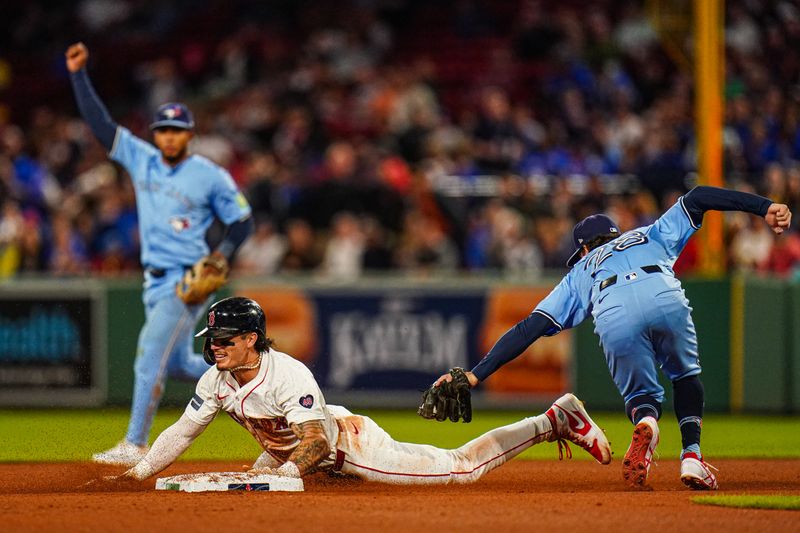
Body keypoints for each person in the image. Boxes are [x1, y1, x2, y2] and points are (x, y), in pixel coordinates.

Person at [431, 185, 792, 490]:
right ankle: (692, 457)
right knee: (685, 376)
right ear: (616, 236)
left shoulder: (580, 270)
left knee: (643, 397)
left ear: (584, 249)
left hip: (612, 307)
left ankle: (647, 422)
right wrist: (765, 207)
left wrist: (476, 373)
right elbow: (698, 196)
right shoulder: (648, 233)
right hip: (662, 292)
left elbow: (531, 327)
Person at [109, 296, 611, 486]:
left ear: (253, 340)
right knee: (264, 471)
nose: (215, 348)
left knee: (459, 469)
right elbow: (182, 431)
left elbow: (318, 443)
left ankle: (552, 421)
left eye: (225, 340)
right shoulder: (214, 381)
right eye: (212, 340)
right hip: (315, 441)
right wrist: (140, 471)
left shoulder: (287, 374)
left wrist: (282, 476)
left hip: (348, 446)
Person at [65, 42, 254, 466]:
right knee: (185, 362)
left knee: (149, 354)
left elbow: (243, 222)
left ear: (190, 134)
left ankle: (134, 443)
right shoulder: (143, 159)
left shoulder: (209, 175)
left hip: (188, 279)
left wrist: (221, 255)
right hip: (153, 279)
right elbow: (100, 125)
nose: (169, 136)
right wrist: (78, 75)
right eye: (163, 130)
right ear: (156, 134)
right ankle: (260, 391)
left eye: (177, 130)